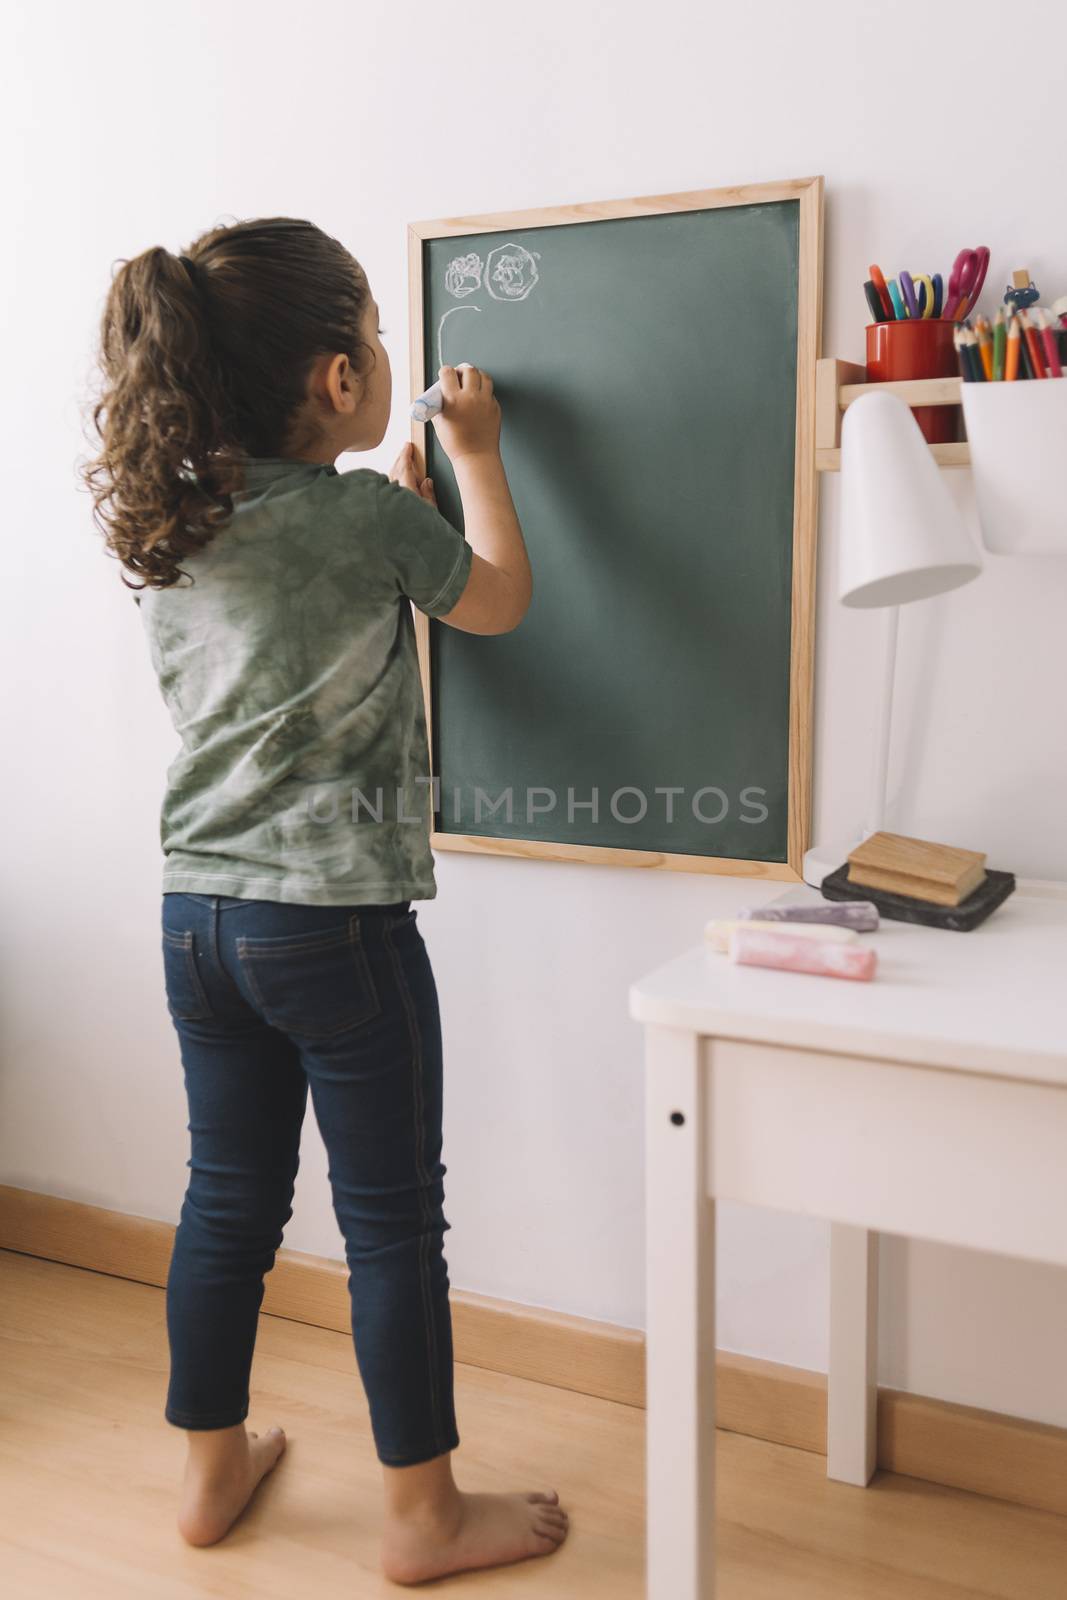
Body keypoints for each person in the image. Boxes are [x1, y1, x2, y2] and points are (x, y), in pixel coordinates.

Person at [83, 216, 567, 1584]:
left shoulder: (177, 520)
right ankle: (422, 1517)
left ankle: (208, 1476)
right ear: (341, 381)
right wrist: (472, 462)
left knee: (225, 1203)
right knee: (392, 1220)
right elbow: (499, 602)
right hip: (334, 927)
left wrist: (399, 510)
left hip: (198, 920)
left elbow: (306, 617)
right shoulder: (369, 521)